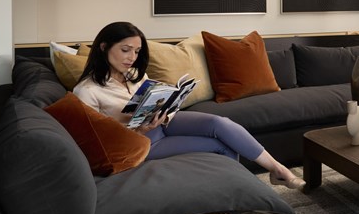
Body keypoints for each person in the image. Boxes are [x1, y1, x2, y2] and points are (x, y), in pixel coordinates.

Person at [73, 21, 305, 190]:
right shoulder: (87, 91)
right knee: (220, 146)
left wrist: (167, 104)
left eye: (136, 51)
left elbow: (147, 99)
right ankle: (237, 192)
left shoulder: (133, 73)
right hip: (143, 143)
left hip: (163, 123)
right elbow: (98, 145)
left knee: (219, 123)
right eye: (125, 50)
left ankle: (277, 169)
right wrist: (140, 129)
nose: (132, 57)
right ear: (103, 47)